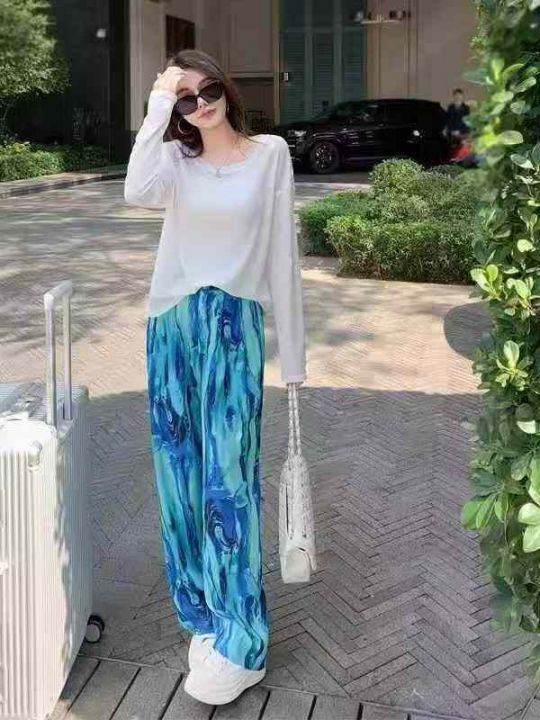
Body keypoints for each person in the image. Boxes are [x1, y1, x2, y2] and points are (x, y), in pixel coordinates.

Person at [123, 49, 307, 706]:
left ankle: (243, 640)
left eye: (207, 91)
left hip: (232, 325)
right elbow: (135, 192)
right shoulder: (174, 161)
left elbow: (282, 256)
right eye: (186, 98)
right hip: (171, 322)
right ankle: (202, 615)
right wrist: (155, 104)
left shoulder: (270, 155)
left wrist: (295, 357)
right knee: (178, 477)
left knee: (228, 482)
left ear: (227, 90)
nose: (200, 104)